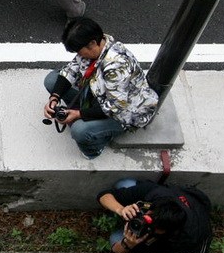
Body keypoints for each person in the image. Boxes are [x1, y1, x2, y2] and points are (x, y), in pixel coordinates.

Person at [43, 17, 158, 159]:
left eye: (79, 52)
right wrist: (54, 97)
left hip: (124, 112)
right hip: (99, 94)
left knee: (80, 131)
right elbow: (71, 71)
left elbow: (114, 108)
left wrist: (79, 114)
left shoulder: (116, 66)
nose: (78, 56)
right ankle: (85, 114)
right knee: (51, 81)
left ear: (92, 43)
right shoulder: (97, 47)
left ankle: (94, 148)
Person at [97, 179, 213, 253]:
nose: (143, 222)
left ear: (164, 232)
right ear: (149, 206)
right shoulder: (156, 194)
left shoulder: (173, 244)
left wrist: (128, 244)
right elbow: (103, 195)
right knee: (126, 183)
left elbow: (119, 251)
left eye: (151, 227)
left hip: (196, 230)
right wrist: (121, 209)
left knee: (115, 238)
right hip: (193, 206)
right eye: (146, 216)